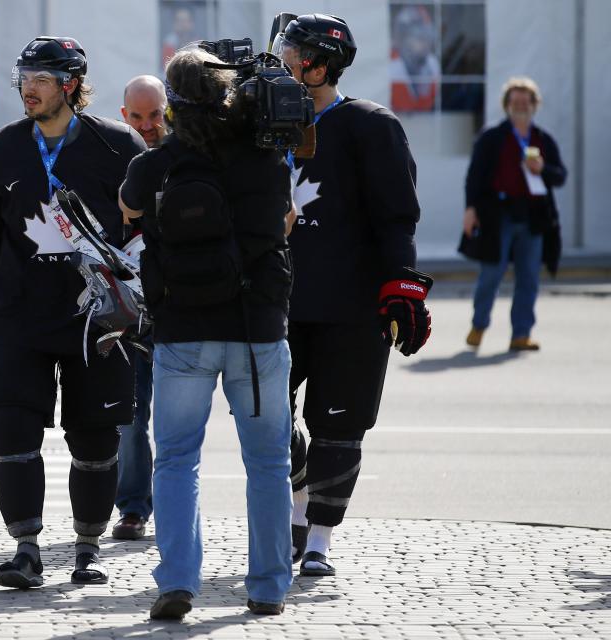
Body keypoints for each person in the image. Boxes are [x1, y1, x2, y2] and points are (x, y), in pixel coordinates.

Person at [0, 36, 147, 589]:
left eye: (41, 77)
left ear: (71, 84)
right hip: (17, 316)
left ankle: (87, 549)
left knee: (97, 437)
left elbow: (145, 229)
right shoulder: (1, 149)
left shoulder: (118, 144)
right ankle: (26, 550)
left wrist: (144, 298)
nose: (27, 88)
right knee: (12, 429)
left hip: (97, 320)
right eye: (23, 76)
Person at [120, 47, 297, 618]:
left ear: (172, 106)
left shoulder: (159, 162)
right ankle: (268, 586)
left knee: (175, 459)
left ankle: (177, 580)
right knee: (268, 462)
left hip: (184, 329)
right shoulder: (265, 156)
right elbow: (285, 219)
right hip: (257, 330)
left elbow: (127, 209)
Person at [274, 14, 432, 577]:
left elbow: (397, 216)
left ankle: (318, 538)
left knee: (339, 424)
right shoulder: (260, 123)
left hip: (349, 305)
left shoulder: (371, 125)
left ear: (317, 63)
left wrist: (403, 287)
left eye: (291, 51)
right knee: (263, 411)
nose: (281, 59)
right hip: (273, 300)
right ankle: (294, 500)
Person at [460, 77, 566, 351]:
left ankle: (521, 334)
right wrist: (470, 209)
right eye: (515, 101)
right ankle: (479, 325)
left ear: (534, 105)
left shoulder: (542, 139)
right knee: (491, 275)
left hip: (532, 216)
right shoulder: (492, 137)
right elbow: (474, 176)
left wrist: (542, 168)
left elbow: (560, 176)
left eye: (525, 101)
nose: (520, 106)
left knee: (529, 277)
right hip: (499, 214)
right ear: (507, 105)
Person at [111, 74, 167, 541]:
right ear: (124, 115)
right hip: (128, 308)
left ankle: (171, 500)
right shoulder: (114, 156)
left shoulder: (186, 155)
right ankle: (132, 507)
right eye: (138, 117)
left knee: (177, 418)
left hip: (180, 308)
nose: (148, 126)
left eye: (156, 115)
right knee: (130, 415)